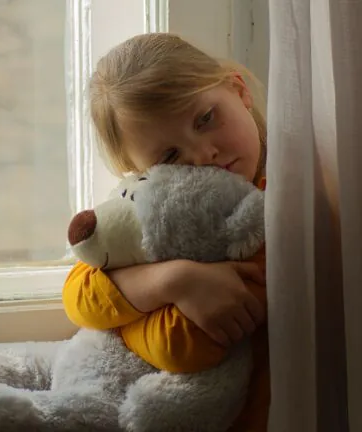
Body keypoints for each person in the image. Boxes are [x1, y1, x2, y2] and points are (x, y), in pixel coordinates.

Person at [62, 33, 270, 430]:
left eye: (205, 118)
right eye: (170, 156)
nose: (203, 154)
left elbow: (185, 346)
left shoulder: (286, 201)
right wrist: (174, 279)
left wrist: (128, 317)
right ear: (142, 173)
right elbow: (77, 295)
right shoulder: (165, 208)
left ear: (238, 90)